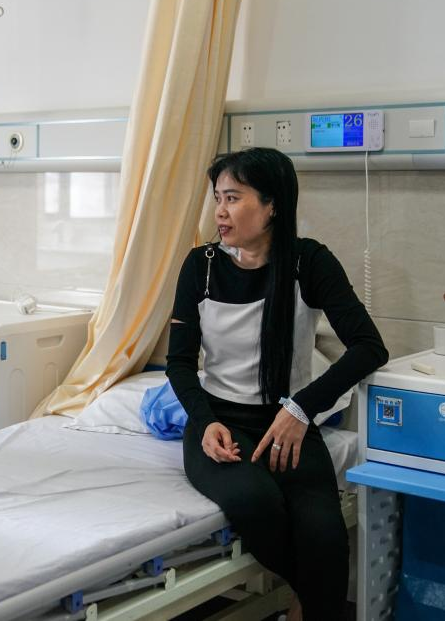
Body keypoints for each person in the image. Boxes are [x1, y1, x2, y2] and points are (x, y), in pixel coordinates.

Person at [166, 147, 388, 620]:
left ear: (271, 205)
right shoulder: (201, 265)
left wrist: (301, 409)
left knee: (326, 535)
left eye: (233, 198)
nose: (219, 211)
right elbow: (179, 363)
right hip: (219, 422)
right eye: (217, 198)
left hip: (287, 422)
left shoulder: (309, 262)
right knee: (256, 502)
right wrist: (204, 423)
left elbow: (369, 347)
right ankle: (307, 599)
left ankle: (309, 607)